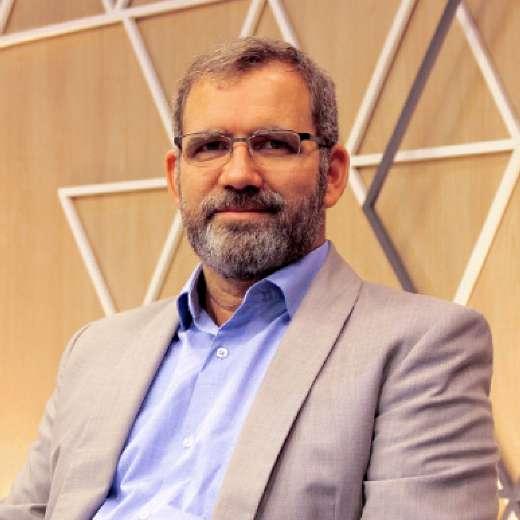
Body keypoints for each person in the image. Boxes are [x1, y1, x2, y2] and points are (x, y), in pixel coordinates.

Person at [2, 37, 498, 520]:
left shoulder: (424, 346)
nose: (238, 174)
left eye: (274, 144)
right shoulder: (95, 351)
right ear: (175, 177)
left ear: (331, 174)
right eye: (210, 146)